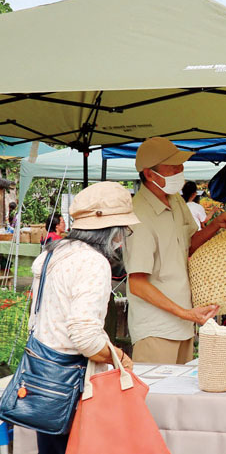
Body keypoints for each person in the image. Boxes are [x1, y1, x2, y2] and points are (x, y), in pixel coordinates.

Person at [28, 181, 138, 454]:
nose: (123, 238)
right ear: (112, 231)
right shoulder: (92, 261)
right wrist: (119, 357)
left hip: (43, 376)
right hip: (73, 386)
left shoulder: (53, 253)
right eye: (123, 230)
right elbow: (86, 338)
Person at [125, 137, 226, 365]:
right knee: (159, 398)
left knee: (180, 395)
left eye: (180, 164)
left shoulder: (175, 200)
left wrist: (215, 224)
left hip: (184, 323)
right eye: (173, 166)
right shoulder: (139, 215)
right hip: (156, 329)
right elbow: (137, 284)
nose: (180, 170)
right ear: (149, 174)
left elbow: (190, 244)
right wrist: (186, 313)